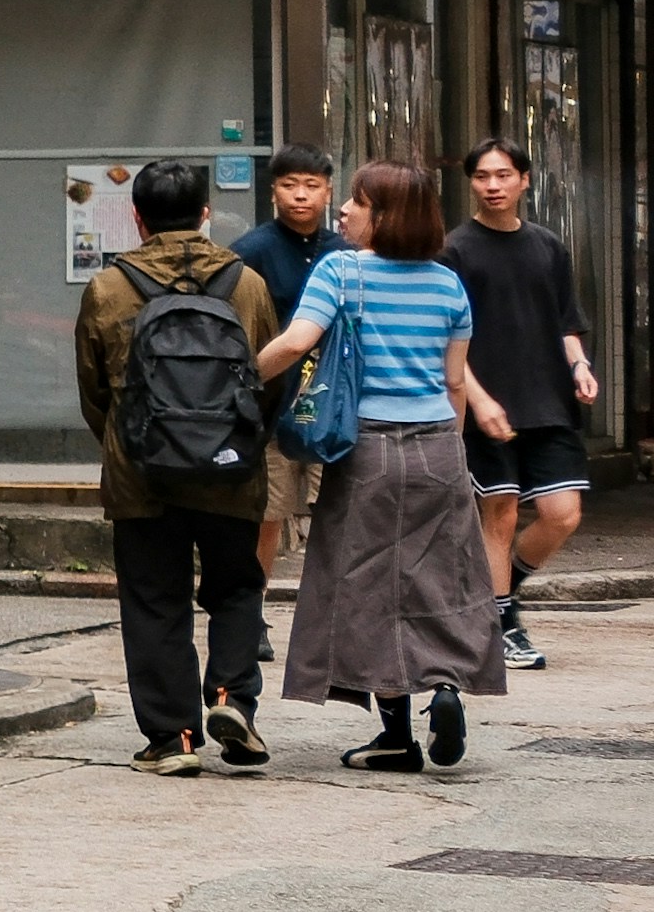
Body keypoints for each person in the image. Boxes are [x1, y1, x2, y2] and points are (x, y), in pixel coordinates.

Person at [258, 159, 515, 771]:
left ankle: (397, 735)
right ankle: (447, 687)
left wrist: (239, 378)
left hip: (364, 448)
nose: (343, 211)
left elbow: (296, 344)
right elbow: (454, 383)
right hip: (438, 448)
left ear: (385, 216)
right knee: (443, 577)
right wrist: (446, 448)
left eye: (357, 201)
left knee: (367, 583)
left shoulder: (340, 271)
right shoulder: (448, 285)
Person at [73, 157, 281, 778]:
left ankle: (173, 739)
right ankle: (230, 699)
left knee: (154, 601)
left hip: (143, 477)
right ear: (206, 214)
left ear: (135, 218)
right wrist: (237, 443)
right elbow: (266, 380)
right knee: (237, 587)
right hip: (230, 470)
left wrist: (126, 442)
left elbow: (94, 392)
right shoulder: (246, 284)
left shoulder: (109, 288)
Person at [444, 137, 590, 678]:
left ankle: (498, 593)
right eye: (483, 176)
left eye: (504, 175)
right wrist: (477, 401)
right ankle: (503, 625)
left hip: (547, 398)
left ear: (524, 180)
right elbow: (450, 339)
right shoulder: (454, 249)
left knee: (562, 514)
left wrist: (579, 365)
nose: (493, 185)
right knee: (499, 512)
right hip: (488, 403)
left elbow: (566, 322)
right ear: (472, 183)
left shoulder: (548, 246)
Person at [233, 147, 343, 609]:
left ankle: (332, 609)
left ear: (328, 191)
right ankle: (251, 612)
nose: (300, 196)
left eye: (312, 186)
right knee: (267, 515)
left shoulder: (344, 252)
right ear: (273, 190)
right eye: (289, 185)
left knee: (336, 512)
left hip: (334, 402)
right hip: (272, 402)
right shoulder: (250, 251)